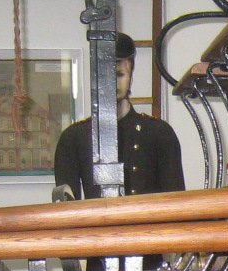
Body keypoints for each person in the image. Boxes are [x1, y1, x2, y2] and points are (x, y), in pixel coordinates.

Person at [54, 32, 184, 200]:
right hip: (97, 224)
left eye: (119, 74)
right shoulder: (73, 138)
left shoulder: (159, 133)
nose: (112, 82)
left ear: (130, 76)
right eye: (105, 75)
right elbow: (67, 213)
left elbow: (176, 203)